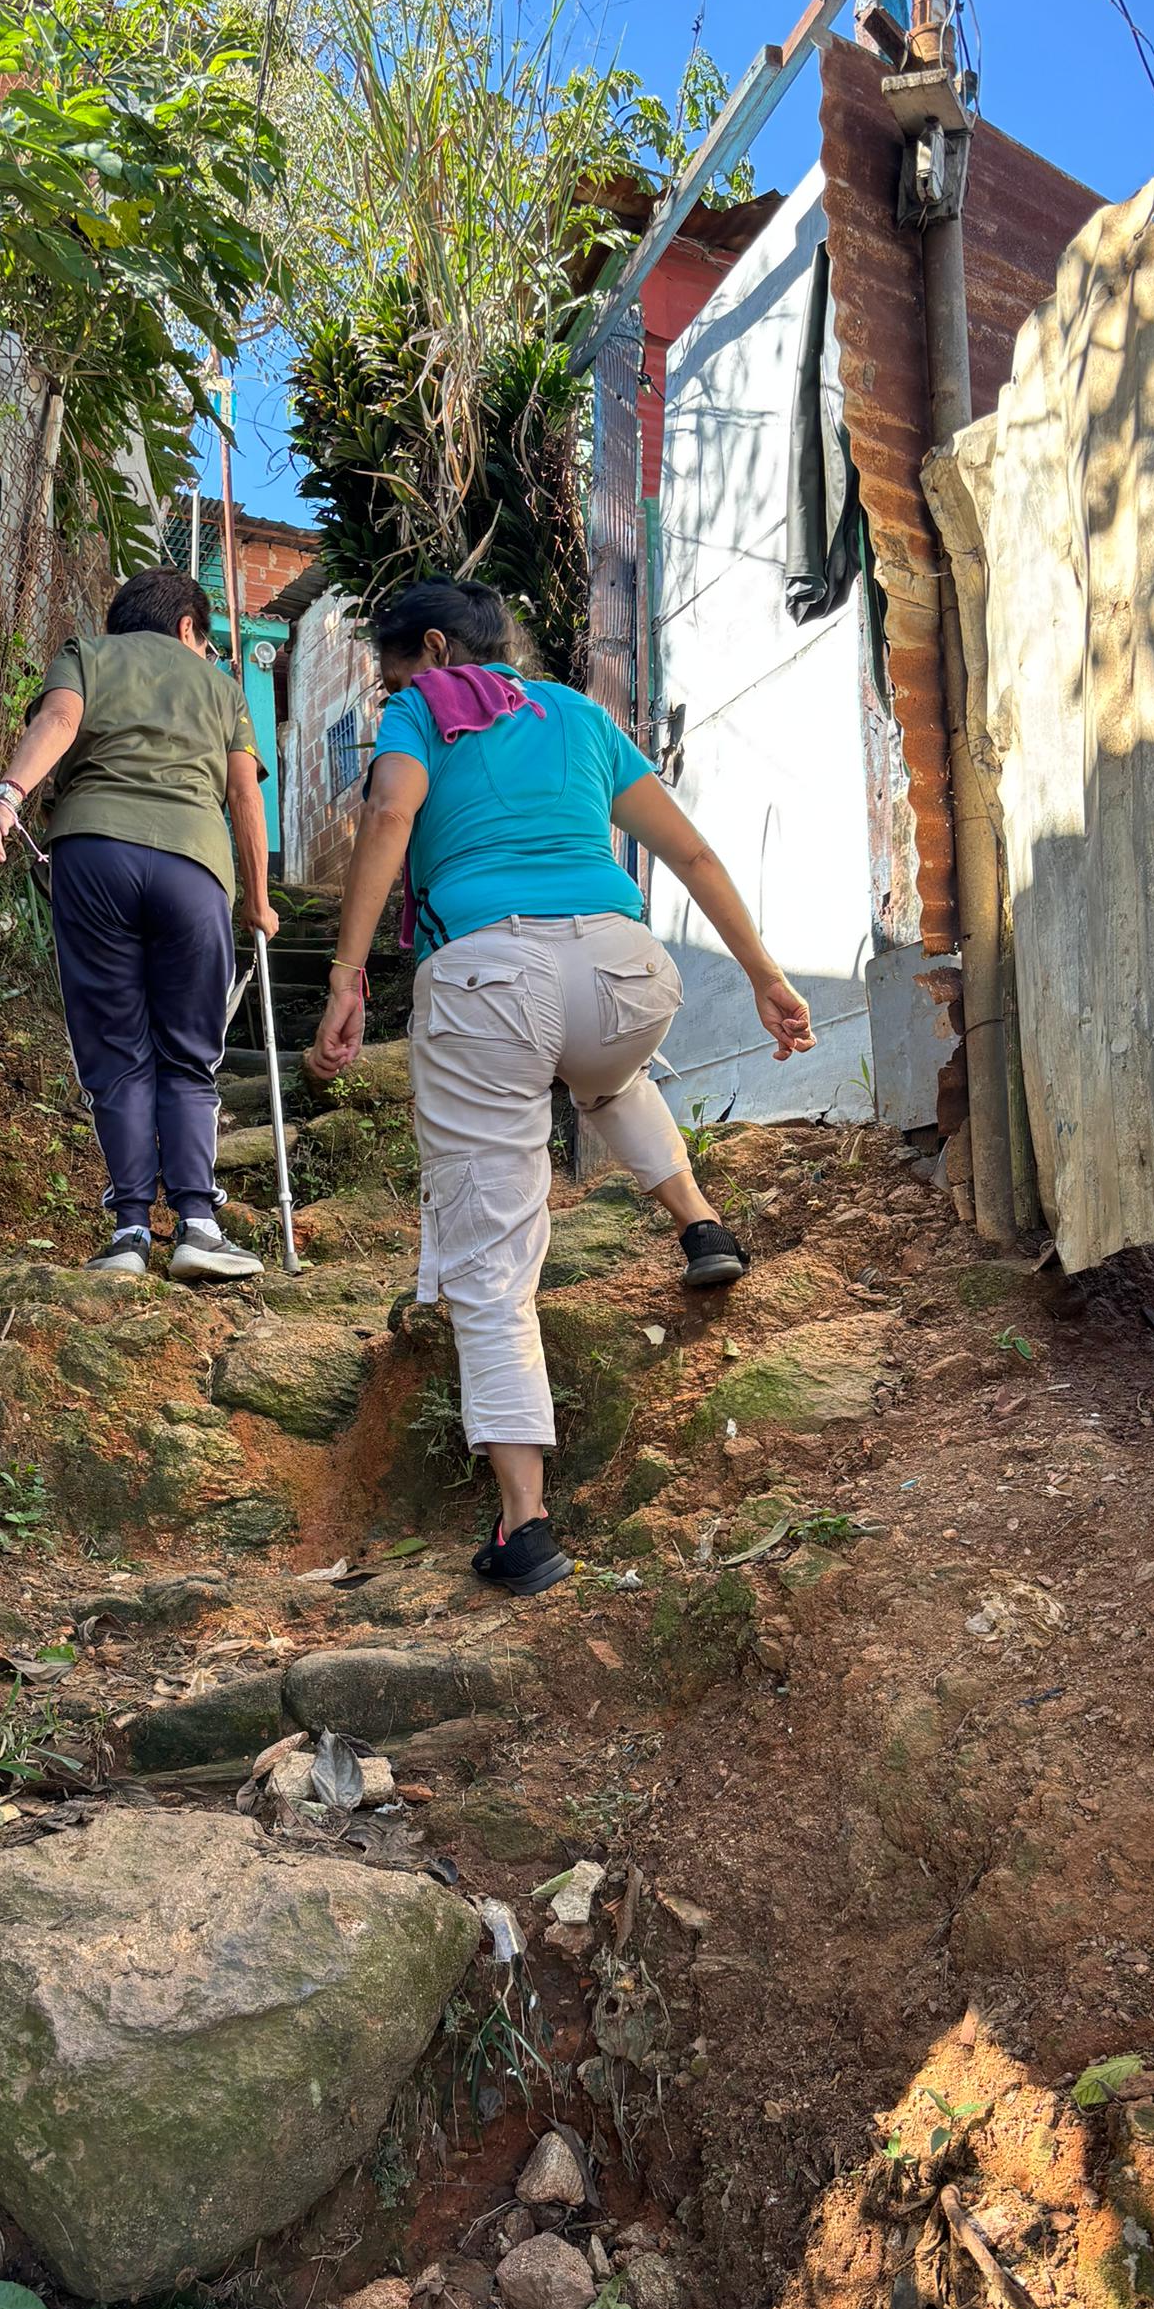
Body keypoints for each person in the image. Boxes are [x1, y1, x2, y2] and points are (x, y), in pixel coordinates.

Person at [306, 577, 814, 1595]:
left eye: (392, 676)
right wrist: (765, 975)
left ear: (435, 651)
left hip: (489, 976)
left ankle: (525, 1525)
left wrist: (347, 974)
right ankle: (702, 1226)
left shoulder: (423, 710)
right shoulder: (579, 714)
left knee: (492, 1258)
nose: (391, 695)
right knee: (605, 1074)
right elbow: (690, 850)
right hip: (625, 974)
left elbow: (392, 814)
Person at [0, 568, 277, 1281]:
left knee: (116, 1050)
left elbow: (58, 722)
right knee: (189, 1053)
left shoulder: (89, 654)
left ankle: (131, 1231)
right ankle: (198, 1225)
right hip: (194, 866)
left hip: (94, 854)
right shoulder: (223, 689)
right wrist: (258, 901)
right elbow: (244, 797)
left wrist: (8, 796)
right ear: (187, 627)